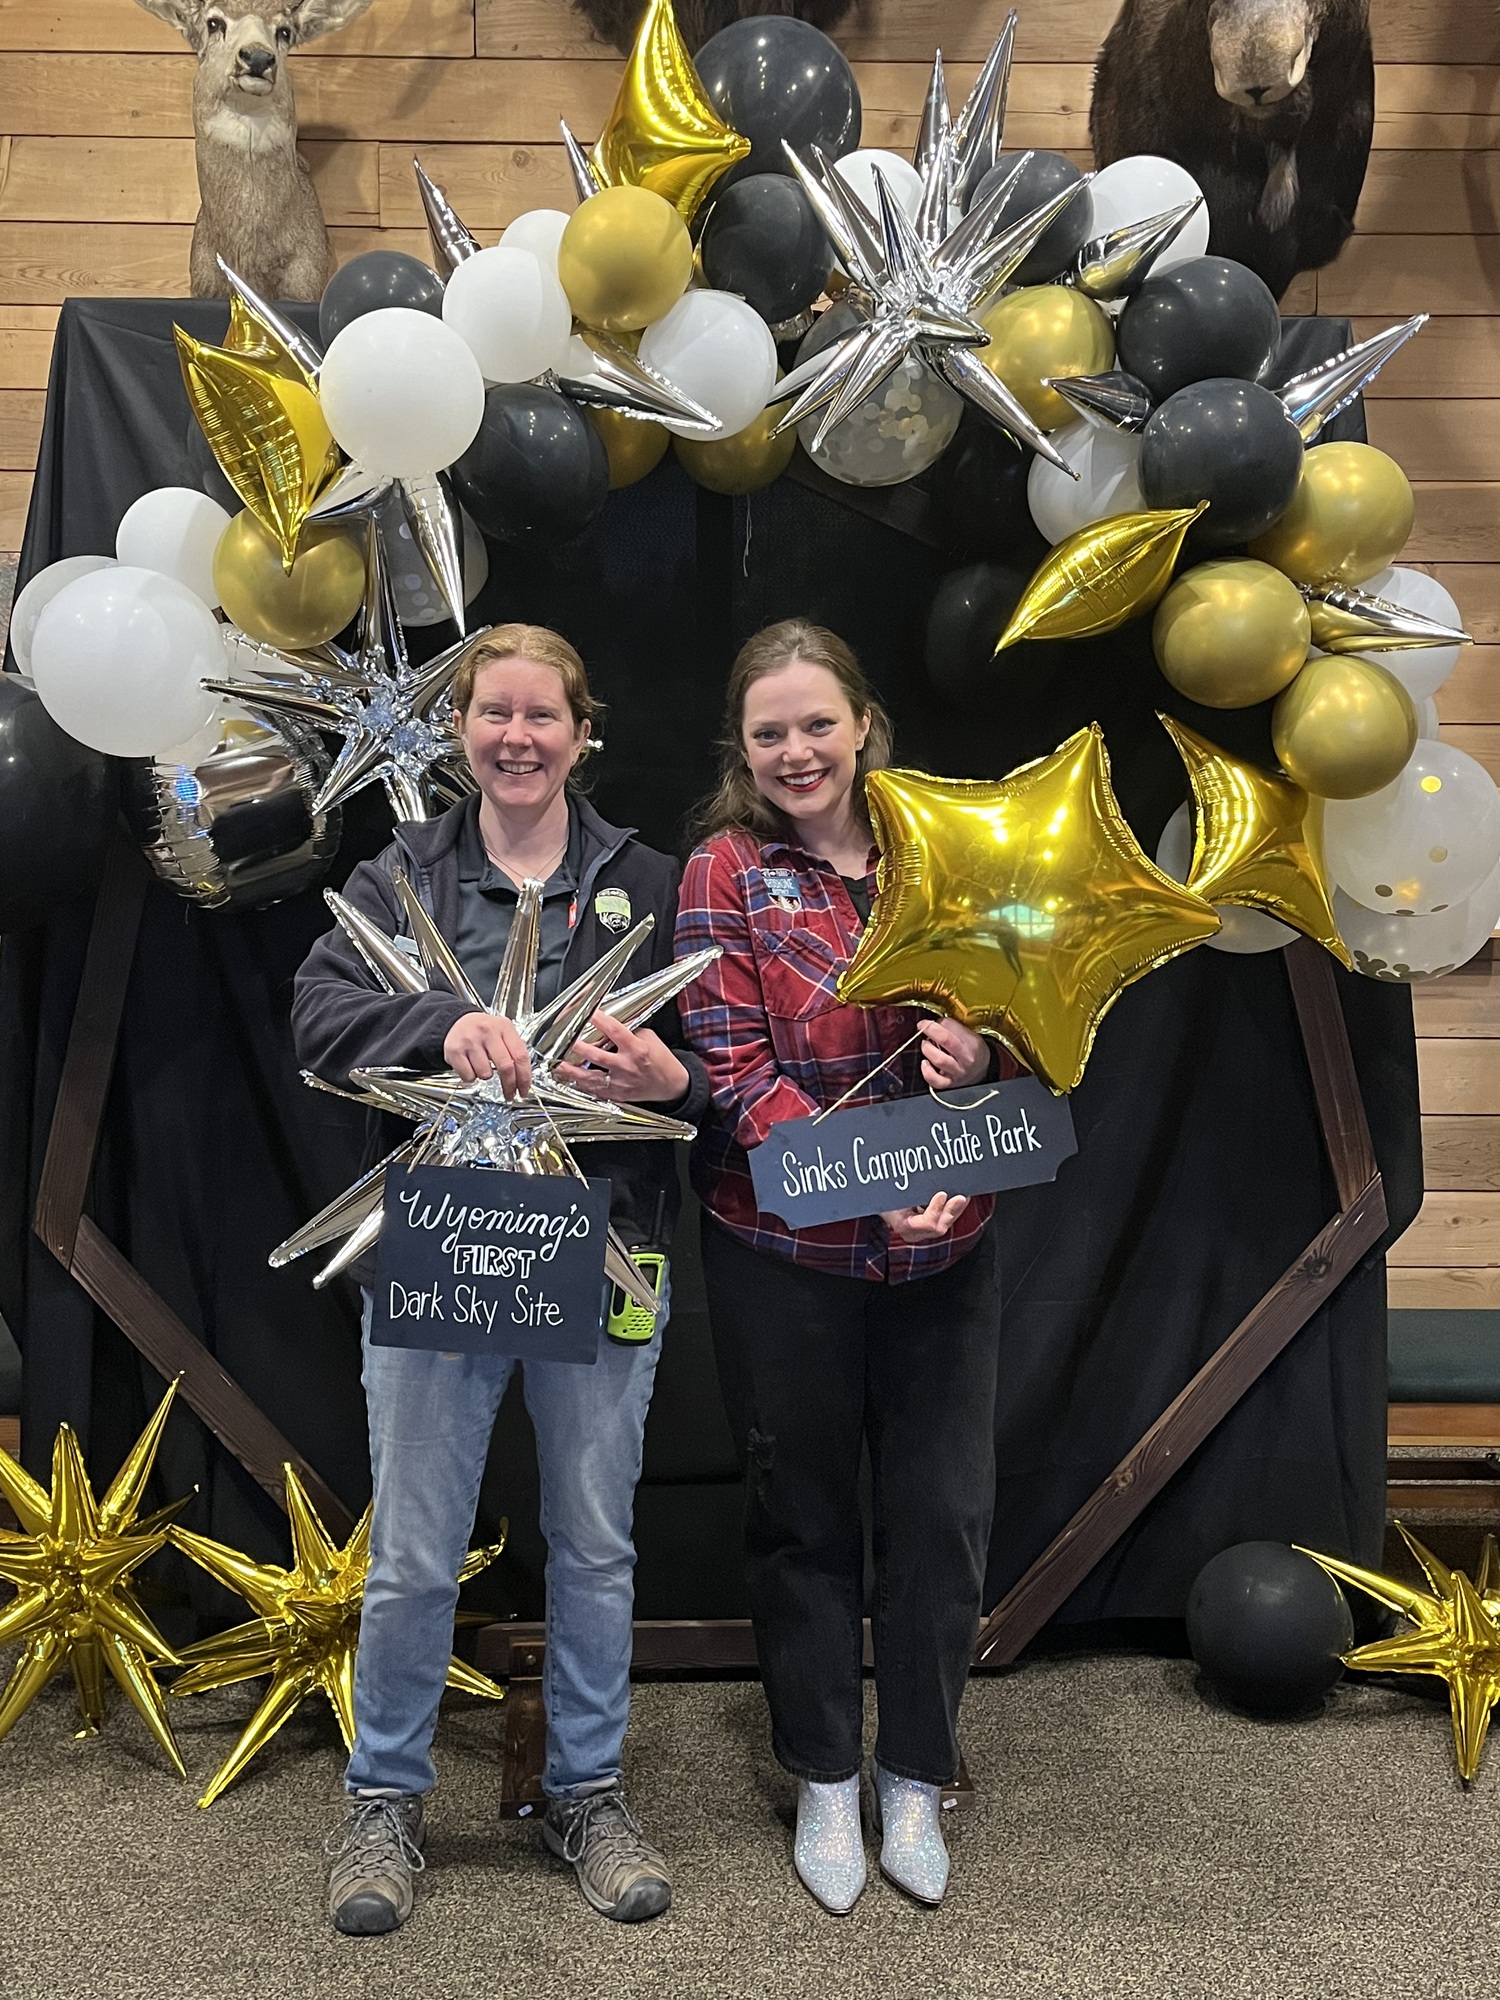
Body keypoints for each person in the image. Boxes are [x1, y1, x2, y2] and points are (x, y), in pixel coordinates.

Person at [293, 624, 707, 1936]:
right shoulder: (404, 867)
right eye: (492, 713)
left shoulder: (653, 879)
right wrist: (436, 1023)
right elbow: (316, 1013)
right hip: (444, 1243)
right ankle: (385, 1803)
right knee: (417, 1551)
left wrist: (670, 1077)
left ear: (585, 734)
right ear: (459, 730)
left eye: (543, 715)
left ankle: (587, 1791)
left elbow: (718, 1048)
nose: (517, 736)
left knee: (593, 1540)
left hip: (603, 1246)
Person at [675, 619, 1002, 1916]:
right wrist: (877, 1184)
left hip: (951, 1246)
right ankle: (822, 1774)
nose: (798, 750)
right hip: (783, 1254)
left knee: (940, 1518)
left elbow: (1024, 1018)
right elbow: (735, 1074)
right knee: (803, 1515)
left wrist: (979, 1072)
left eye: (818, 723)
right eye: (771, 733)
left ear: (863, 723)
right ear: (743, 754)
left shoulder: (945, 849)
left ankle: (914, 1775)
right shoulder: (723, 871)